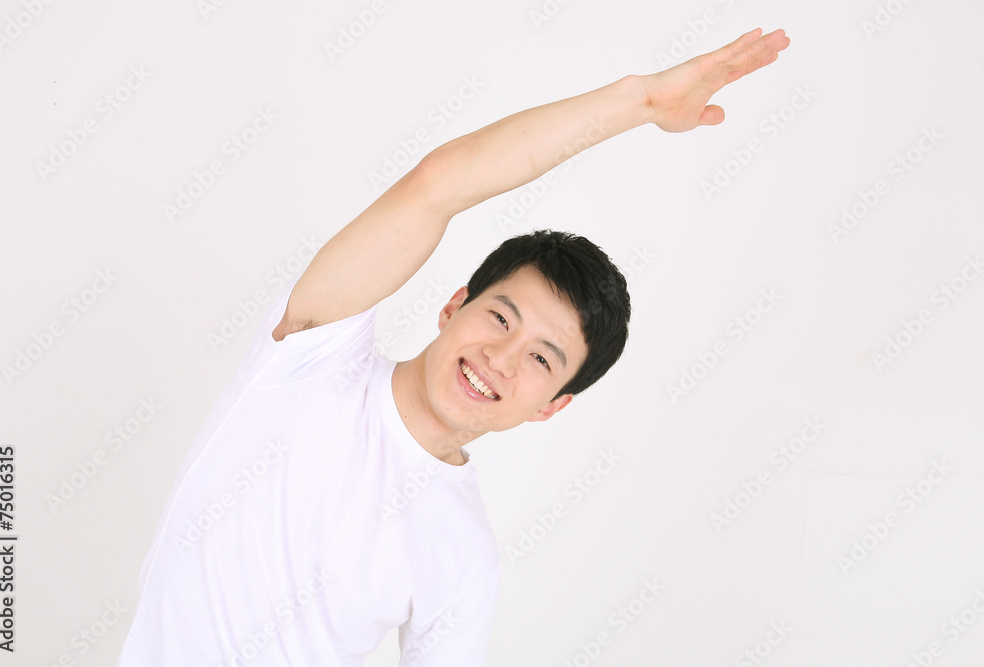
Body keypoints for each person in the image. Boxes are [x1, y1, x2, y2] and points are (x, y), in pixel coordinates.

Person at [116, 28, 790, 666]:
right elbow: (438, 185)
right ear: (453, 306)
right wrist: (639, 101)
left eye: (542, 359)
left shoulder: (464, 553)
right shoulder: (314, 356)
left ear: (551, 406)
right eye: (500, 317)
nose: (501, 357)